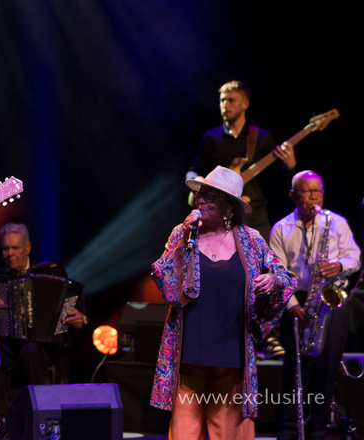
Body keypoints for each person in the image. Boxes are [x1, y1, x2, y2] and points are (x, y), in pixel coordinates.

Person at [150, 166, 296, 439]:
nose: (201, 200)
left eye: (210, 196)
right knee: (183, 434)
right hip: (189, 352)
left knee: (227, 434)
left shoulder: (251, 240)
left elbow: (285, 278)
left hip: (231, 354)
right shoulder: (183, 235)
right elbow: (164, 281)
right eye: (201, 195)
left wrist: (272, 282)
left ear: (230, 205)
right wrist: (184, 237)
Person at [269, 170, 360, 440]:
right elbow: (277, 272)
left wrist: (340, 265)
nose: (313, 197)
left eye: (318, 191)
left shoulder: (336, 222)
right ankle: (288, 428)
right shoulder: (281, 228)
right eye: (307, 192)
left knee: (329, 366)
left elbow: (355, 257)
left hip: (331, 299)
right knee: (295, 369)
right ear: (293, 196)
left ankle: (318, 427)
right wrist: (292, 305)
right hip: (298, 300)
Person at [0, 222, 86, 430]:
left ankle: (36, 415)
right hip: (8, 345)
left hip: (45, 346)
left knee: (30, 349)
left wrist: (80, 317)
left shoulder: (51, 271)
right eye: (5, 248)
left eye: (15, 248)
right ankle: (2, 420)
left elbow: (71, 299)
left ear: (28, 247)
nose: (9, 253)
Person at [187, 81, 297, 239]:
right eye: (222, 100)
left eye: (231, 100)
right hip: (219, 218)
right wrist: (198, 180)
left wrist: (290, 167)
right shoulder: (210, 138)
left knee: (261, 263)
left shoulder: (262, 137)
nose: (225, 105)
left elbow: (274, 181)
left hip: (255, 216)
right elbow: (193, 170)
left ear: (245, 104)